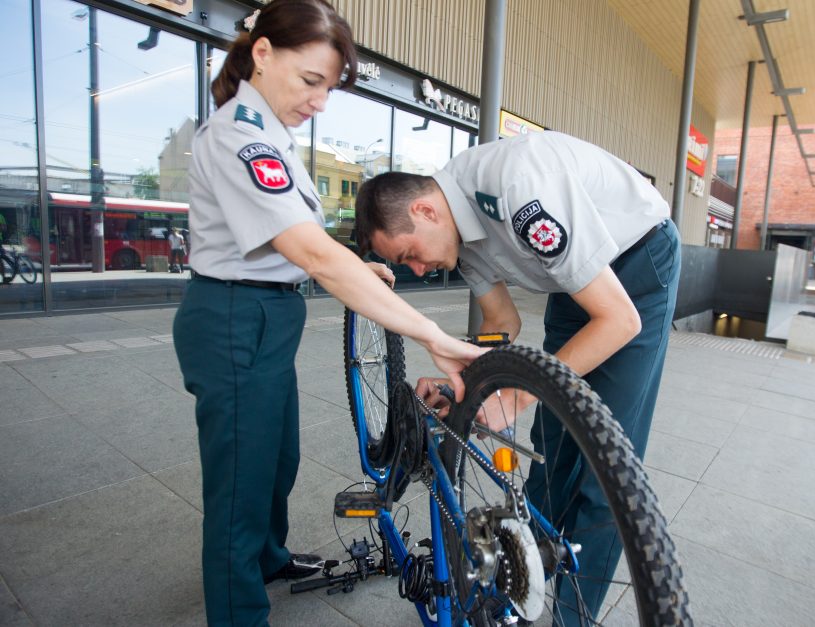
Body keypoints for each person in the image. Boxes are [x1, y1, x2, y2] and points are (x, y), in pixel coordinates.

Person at [171, 2, 484, 624]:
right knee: (240, 482)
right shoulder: (241, 136)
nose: (319, 101)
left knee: (276, 457)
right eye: (311, 81)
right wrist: (428, 331)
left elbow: (290, 240)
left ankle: (267, 558)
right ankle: (239, 612)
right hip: (235, 318)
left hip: (264, 313)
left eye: (329, 89)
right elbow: (310, 251)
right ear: (262, 54)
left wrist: (349, 266)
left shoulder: (273, 140)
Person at [353, 130, 680, 623]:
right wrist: (463, 386)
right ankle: (523, 590)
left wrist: (515, 397)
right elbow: (501, 324)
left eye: (408, 255)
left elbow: (619, 320)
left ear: (424, 212)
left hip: (637, 266)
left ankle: (571, 617)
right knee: (551, 449)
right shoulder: (458, 236)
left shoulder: (517, 190)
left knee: (605, 464)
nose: (417, 270)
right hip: (572, 280)